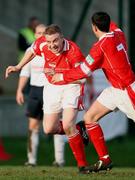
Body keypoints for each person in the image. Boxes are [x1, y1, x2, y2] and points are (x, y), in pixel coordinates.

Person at [5, 24, 112, 174]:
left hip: (71, 87)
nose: (51, 45)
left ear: (62, 38)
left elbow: (82, 78)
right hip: (52, 87)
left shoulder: (73, 51)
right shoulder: (42, 43)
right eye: (49, 42)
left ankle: (82, 166)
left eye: (55, 41)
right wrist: (18, 66)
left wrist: (60, 74)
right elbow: (31, 51)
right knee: (49, 129)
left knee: (68, 124)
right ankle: (80, 129)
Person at [51, 11, 135, 171]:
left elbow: (83, 71)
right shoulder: (118, 33)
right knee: (89, 118)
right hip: (115, 90)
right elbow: (111, 24)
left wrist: (61, 76)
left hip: (126, 92)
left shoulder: (100, 48)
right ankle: (105, 160)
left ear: (94, 28)